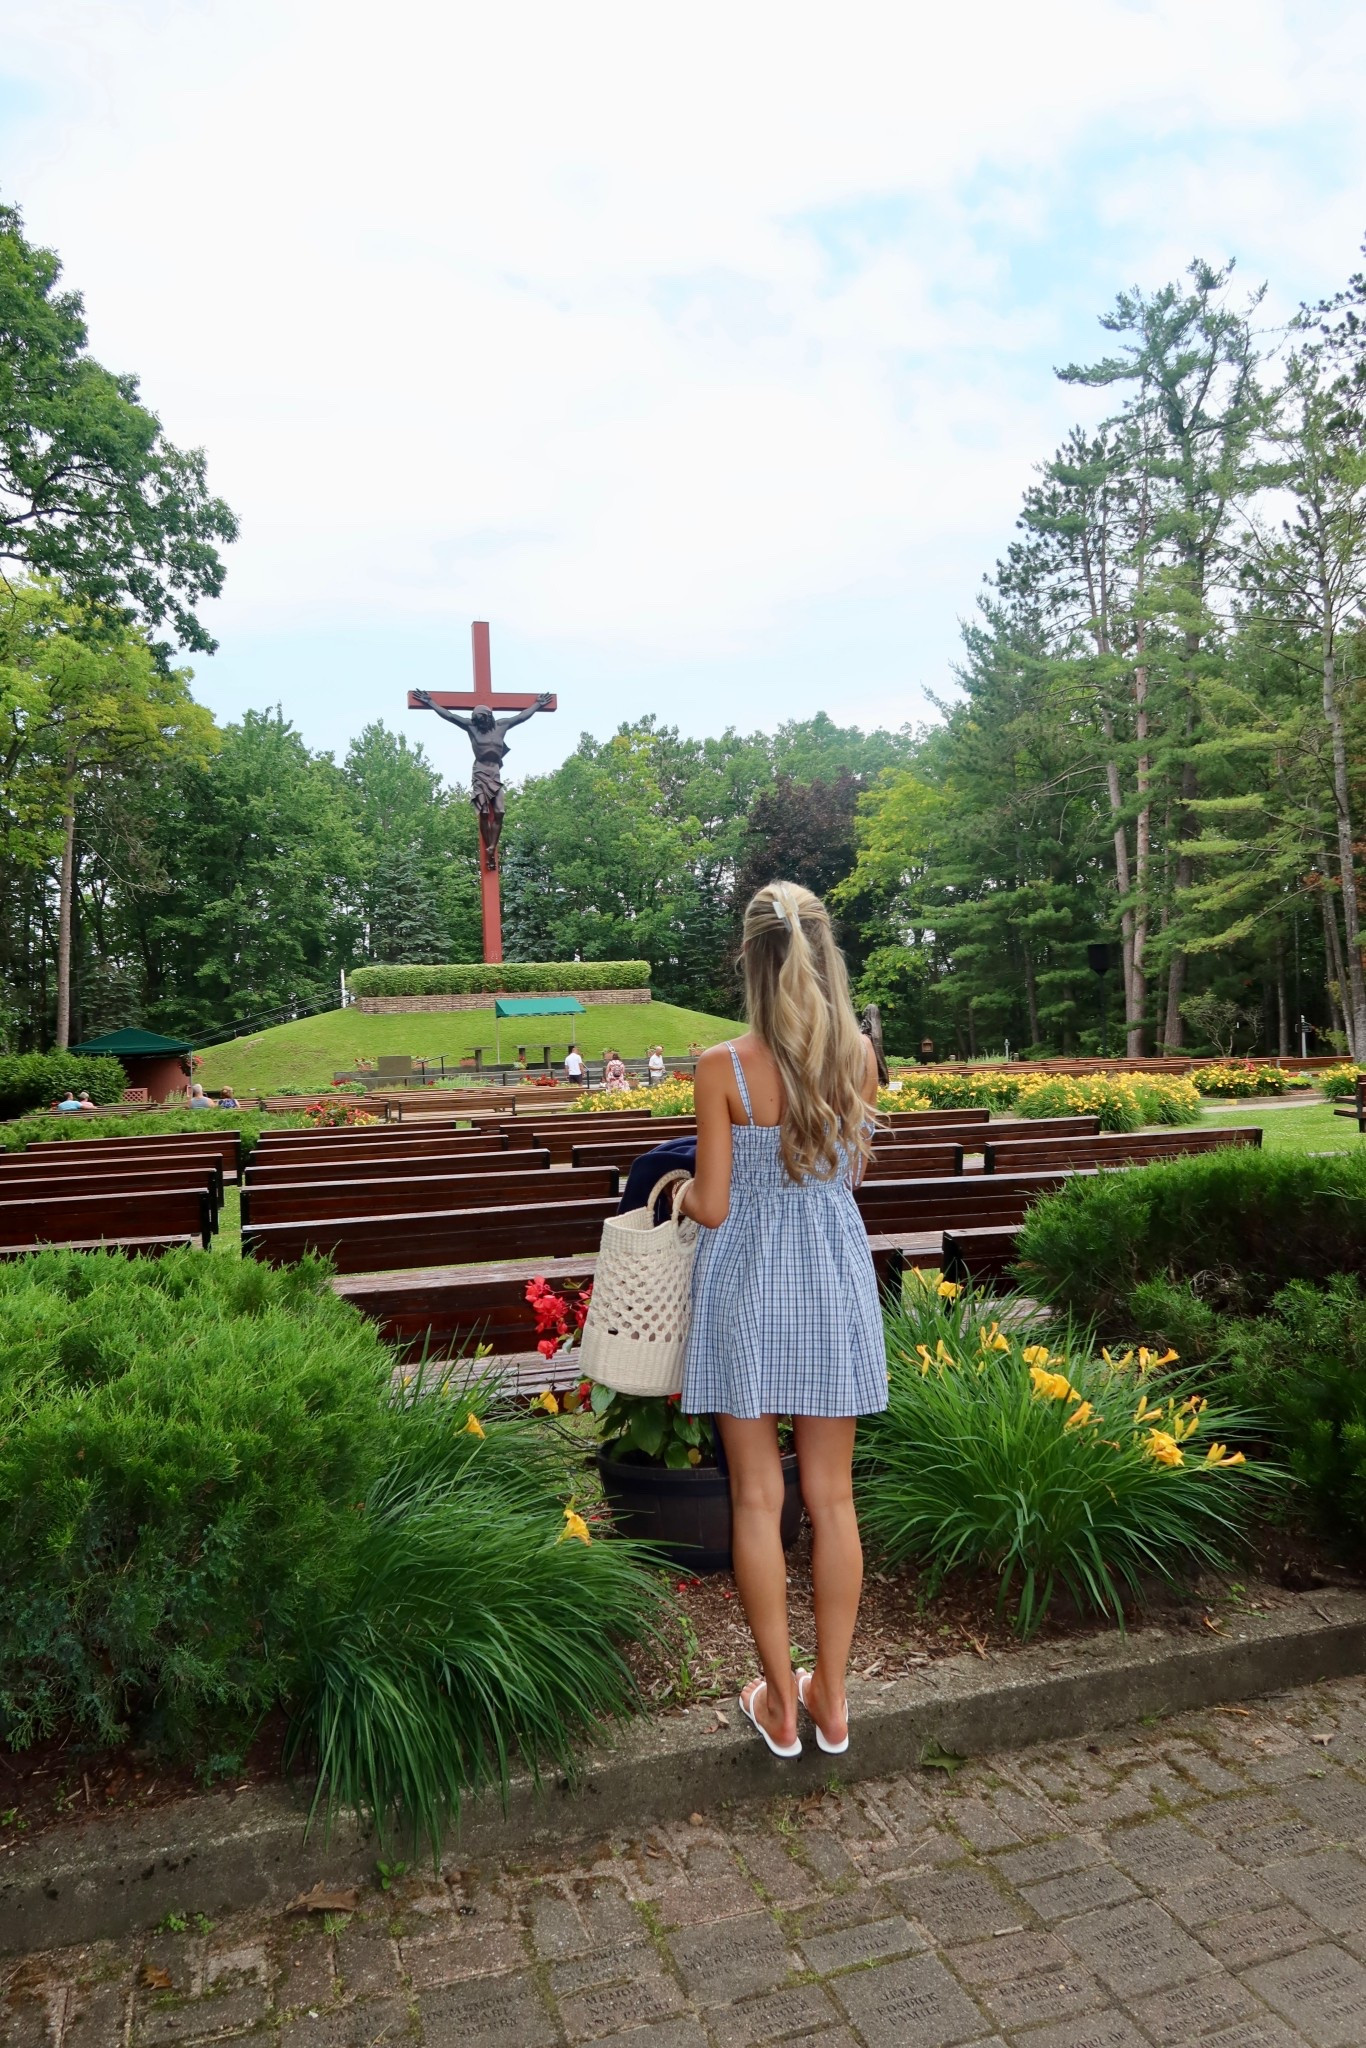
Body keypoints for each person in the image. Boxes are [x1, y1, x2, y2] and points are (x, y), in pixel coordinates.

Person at [679, 881, 883, 1760]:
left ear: (750, 961)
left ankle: (779, 1704)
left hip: (748, 1291)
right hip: (832, 1285)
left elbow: (716, 1205)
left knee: (758, 1498)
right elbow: (844, 1176)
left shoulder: (720, 1067)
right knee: (832, 1499)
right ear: (823, 953)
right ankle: (831, 1700)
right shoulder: (859, 1056)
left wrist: (680, 1193)